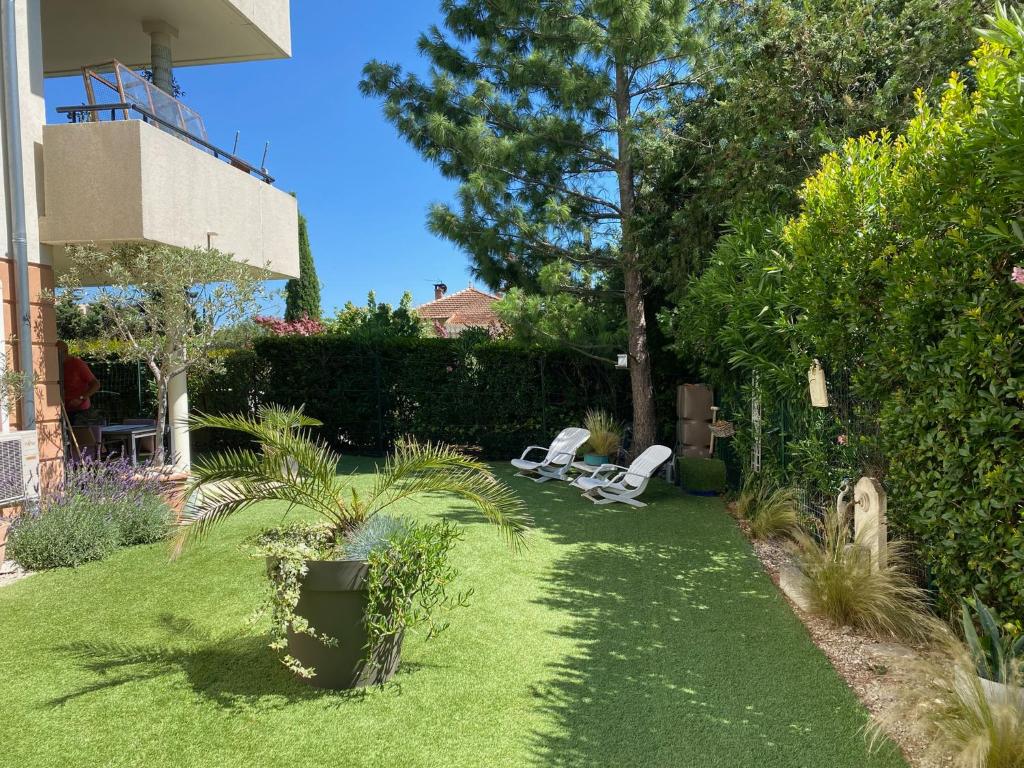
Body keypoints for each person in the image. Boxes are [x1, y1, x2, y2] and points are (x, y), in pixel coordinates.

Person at [58, 341, 100, 424]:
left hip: (80, 411)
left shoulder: (77, 364)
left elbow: (96, 384)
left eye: (57, 353)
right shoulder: (55, 365)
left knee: (78, 434)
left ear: (65, 352)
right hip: (63, 409)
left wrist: (81, 398)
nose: (55, 356)